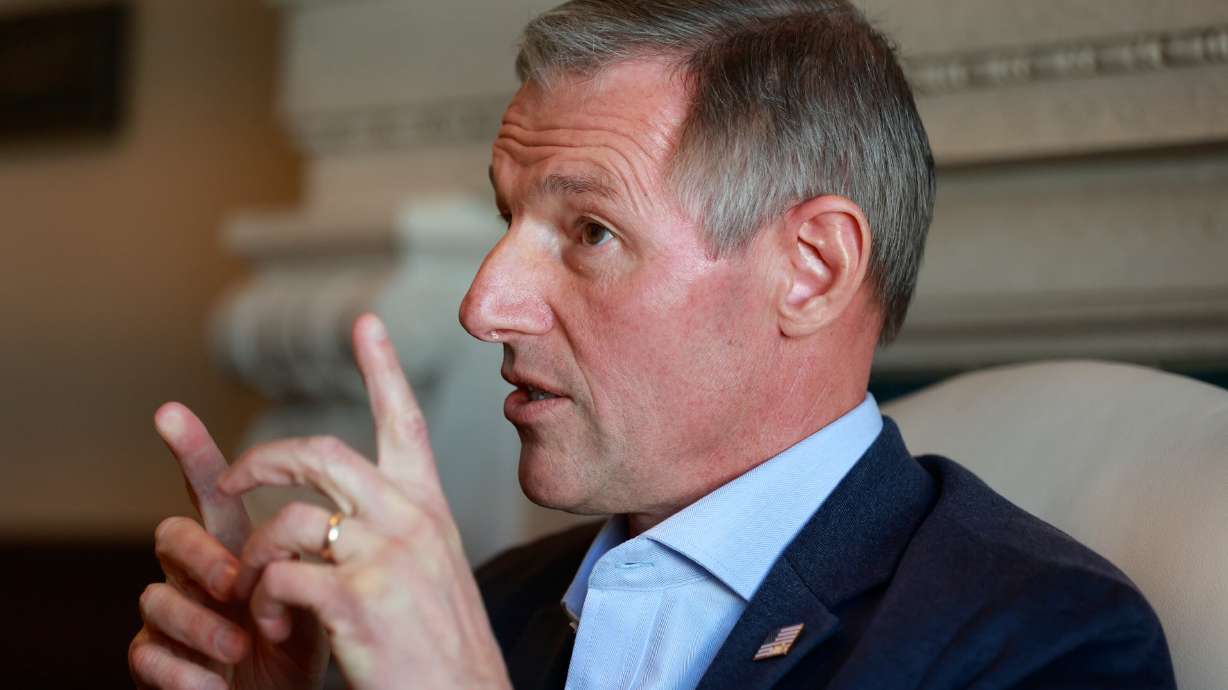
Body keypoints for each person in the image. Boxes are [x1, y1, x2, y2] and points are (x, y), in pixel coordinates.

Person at [129, 1, 1177, 689]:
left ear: (810, 269)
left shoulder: (1041, 643)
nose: (485, 302)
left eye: (588, 231)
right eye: (505, 224)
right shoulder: (492, 605)